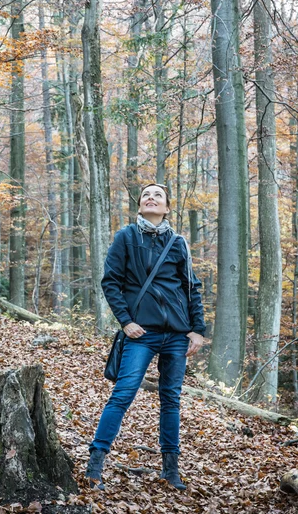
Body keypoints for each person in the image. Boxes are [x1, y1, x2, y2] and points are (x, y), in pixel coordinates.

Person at [85, 183, 206, 491]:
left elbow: (191, 288)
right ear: (139, 205)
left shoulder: (178, 242)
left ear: (166, 208)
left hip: (177, 335)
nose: (152, 198)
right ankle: (95, 465)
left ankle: (171, 470)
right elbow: (110, 281)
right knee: (123, 393)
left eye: (158, 196)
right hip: (142, 333)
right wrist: (125, 321)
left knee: (171, 400)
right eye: (146, 195)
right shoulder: (126, 237)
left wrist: (197, 330)